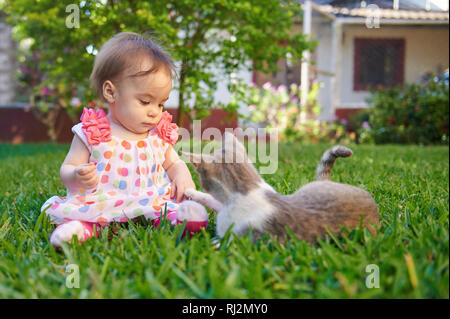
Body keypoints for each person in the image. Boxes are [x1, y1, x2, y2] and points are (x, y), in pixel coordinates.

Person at [41, 32, 208, 247]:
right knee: (91, 216)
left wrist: (182, 172)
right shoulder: (93, 132)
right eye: (145, 101)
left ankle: (184, 222)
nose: (154, 112)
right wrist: (76, 175)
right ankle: (80, 230)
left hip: (151, 200)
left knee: (167, 210)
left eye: (160, 104)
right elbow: (68, 167)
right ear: (111, 92)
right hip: (104, 201)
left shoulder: (157, 134)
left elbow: (172, 162)